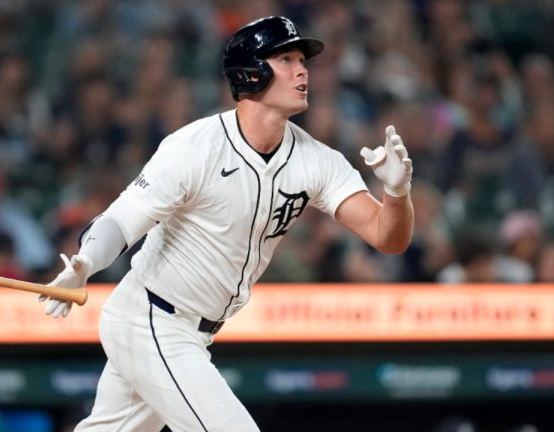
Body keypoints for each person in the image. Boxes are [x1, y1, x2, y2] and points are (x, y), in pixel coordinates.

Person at [38, 16, 414, 431]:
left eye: (302, 59)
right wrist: (86, 263)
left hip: (193, 331)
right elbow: (121, 220)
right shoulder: (194, 147)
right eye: (286, 59)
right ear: (250, 73)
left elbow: (387, 237)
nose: (303, 69)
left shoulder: (317, 161)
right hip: (152, 319)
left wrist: (397, 193)